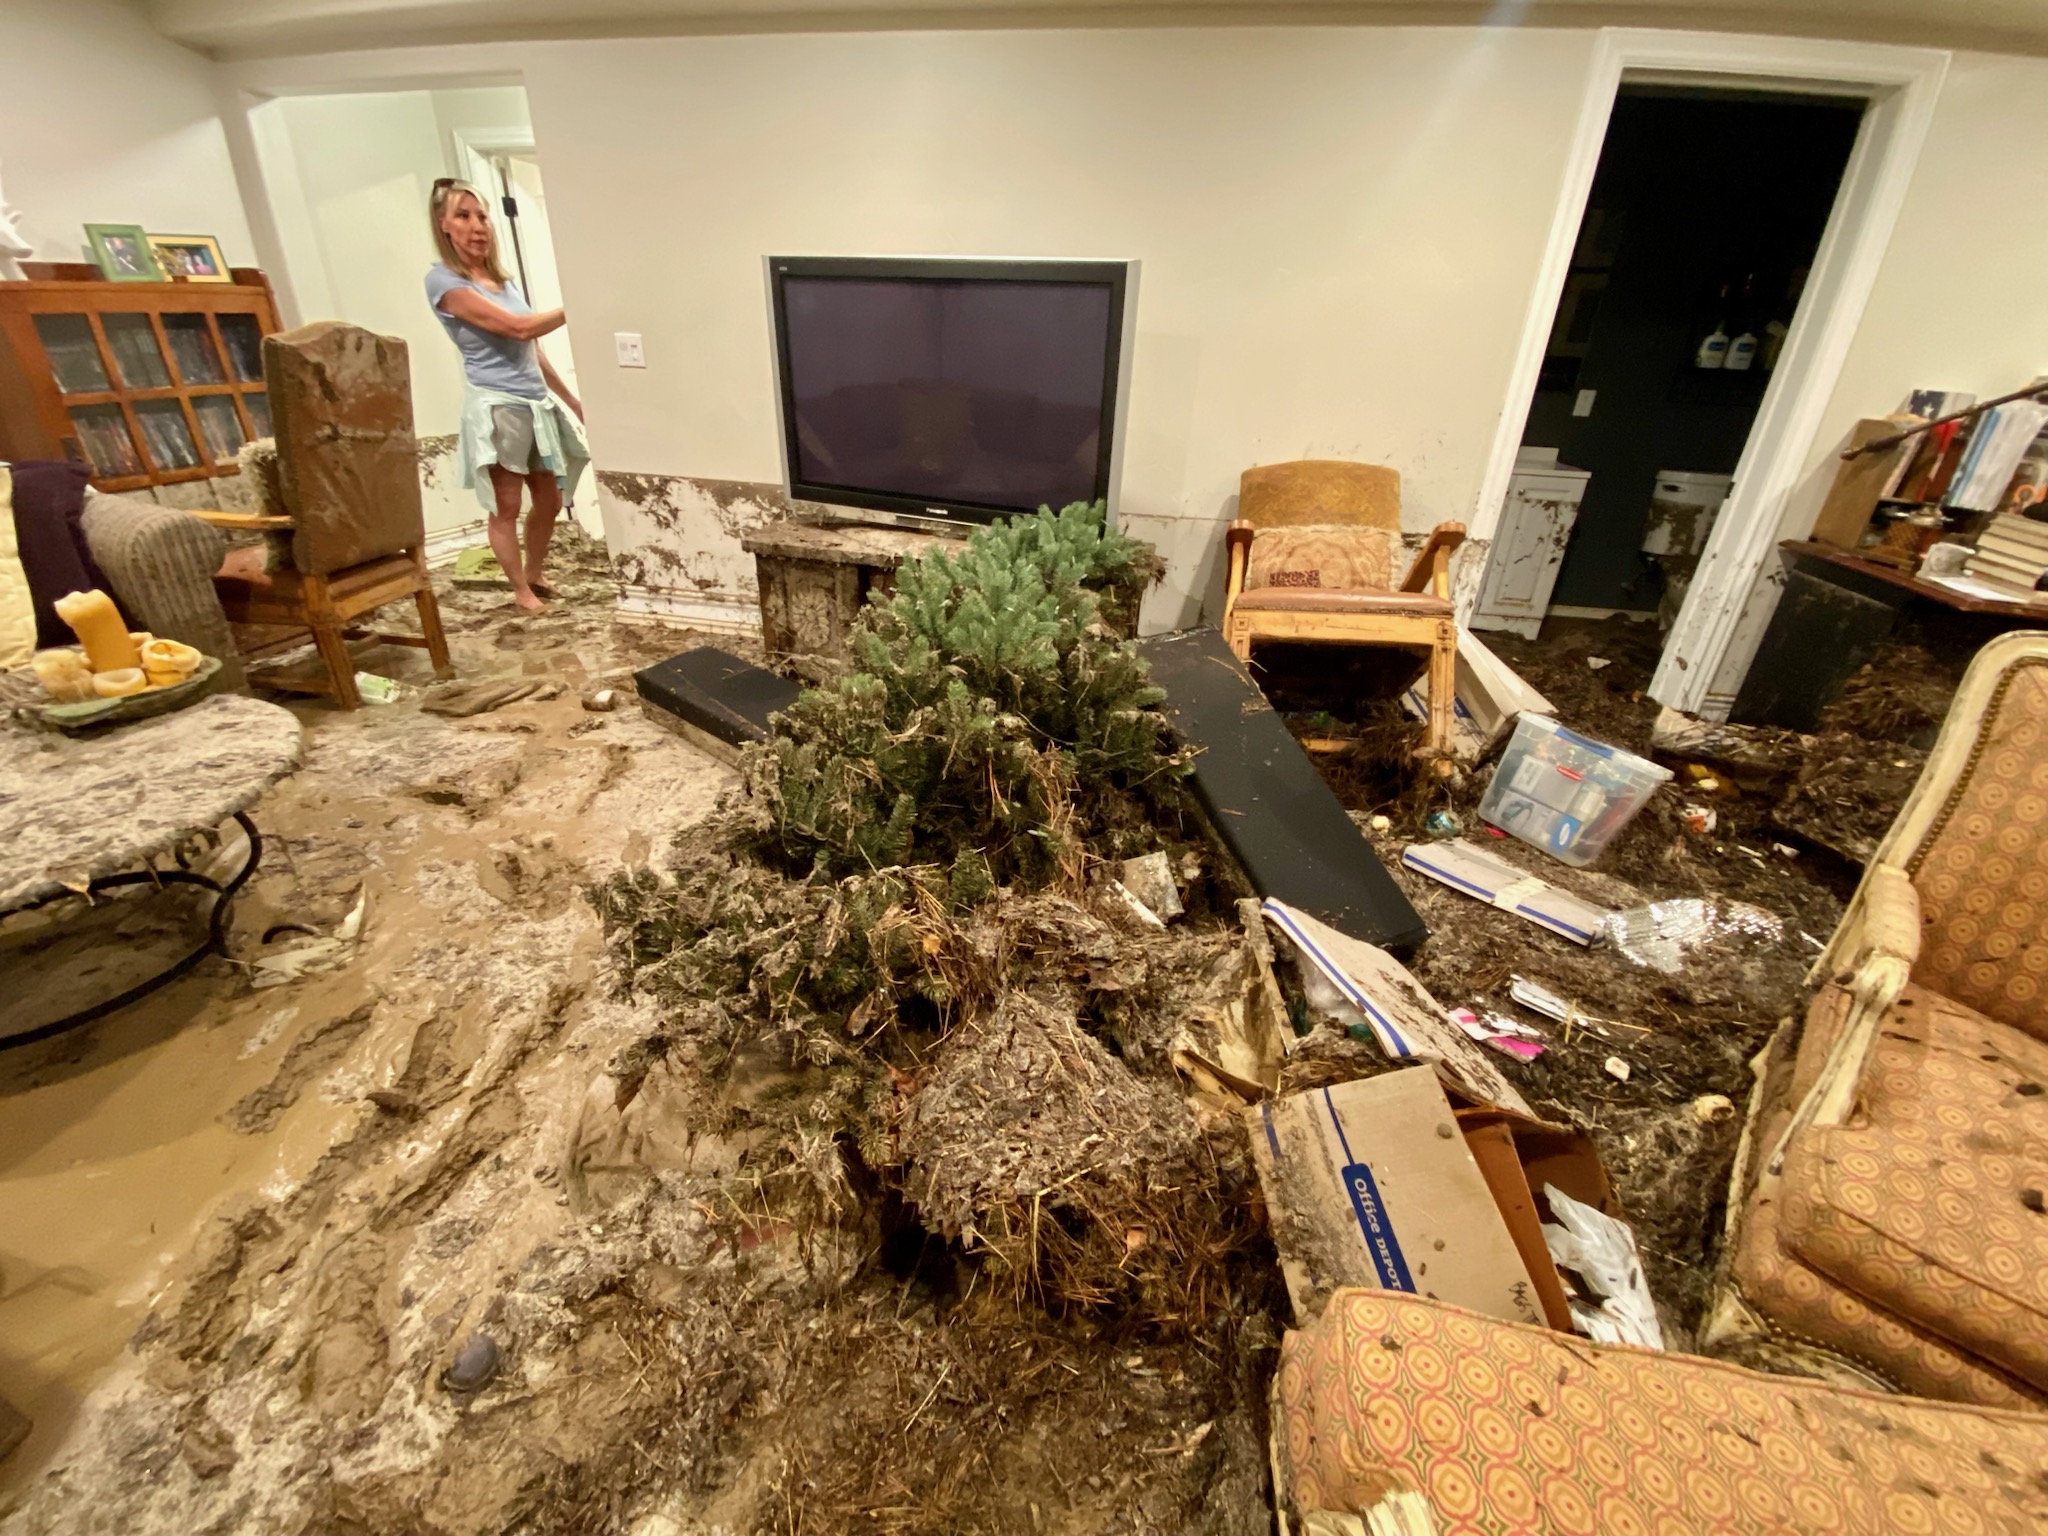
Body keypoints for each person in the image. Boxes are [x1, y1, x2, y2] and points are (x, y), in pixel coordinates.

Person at [426, 177, 588, 610]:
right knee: (507, 504)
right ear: (444, 225)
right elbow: (518, 328)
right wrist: (578, 305)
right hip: (498, 406)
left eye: (482, 216)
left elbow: (530, 347)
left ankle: (534, 572)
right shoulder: (445, 282)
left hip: (536, 405)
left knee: (550, 499)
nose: (477, 226)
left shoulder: (502, 281)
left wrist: (571, 401)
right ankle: (520, 591)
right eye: (463, 216)